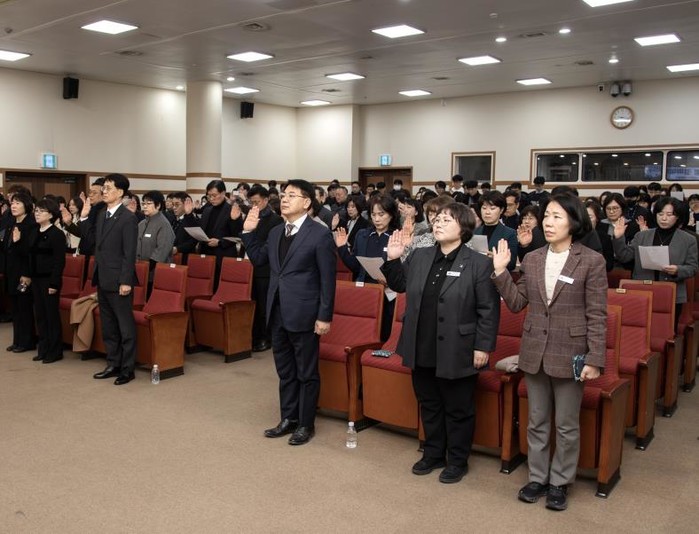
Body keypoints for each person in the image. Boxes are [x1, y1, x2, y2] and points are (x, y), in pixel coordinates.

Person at [491, 192, 607, 512]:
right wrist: (501, 272)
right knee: (537, 420)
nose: (548, 222)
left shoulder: (591, 260)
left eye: (557, 216)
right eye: (546, 216)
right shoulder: (532, 258)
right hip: (534, 351)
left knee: (566, 425)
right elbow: (517, 303)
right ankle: (538, 477)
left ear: (574, 221)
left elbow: (597, 314)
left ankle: (560, 481)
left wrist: (595, 358)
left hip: (570, 351)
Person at [381, 202, 500, 483]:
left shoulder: (479, 263)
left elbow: (488, 310)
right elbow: (400, 285)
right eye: (437, 219)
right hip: (421, 341)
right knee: (429, 402)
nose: (438, 223)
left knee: (458, 408)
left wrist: (483, 347)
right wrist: (393, 259)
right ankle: (433, 453)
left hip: (459, 347)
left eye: (447, 220)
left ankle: (457, 460)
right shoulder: (420, 255)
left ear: (464, 228)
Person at [241, 179, 336, 446]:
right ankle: (288, 418)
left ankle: (305, 424)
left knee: (306, 372)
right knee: (285, 371)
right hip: (277, 311)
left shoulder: (319, 234)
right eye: (284, 195)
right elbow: (259, 259)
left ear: (306, 202)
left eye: (291, 195)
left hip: (305, 313)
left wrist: (324, 316)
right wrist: (248, 232)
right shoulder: (275, 232)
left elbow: (328, 280)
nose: (284, 199)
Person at [612, 196, 698, 328]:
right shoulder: (642, 235)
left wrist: (678, 270)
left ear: (677, 217)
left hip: (671, 292)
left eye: (669, 214)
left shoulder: (688, 240)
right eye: (660, 214)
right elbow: (624, 257)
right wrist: (618, 238)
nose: (664, 218)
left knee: (666, 329)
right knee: (638, 329)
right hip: (642, 290)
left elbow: (693, 268)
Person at [91, 174, 139, 386]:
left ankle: (127, 369)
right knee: (108, 326)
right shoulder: (102, 214)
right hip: (103, 277)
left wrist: (126, 281)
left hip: (120, 280)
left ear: (120, 192)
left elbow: (129, 253)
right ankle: (113, 363)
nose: (104, 191)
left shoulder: (128, 218)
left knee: (125, 327)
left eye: (108, 188)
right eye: (104, 188)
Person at [335, 194, 400, 340]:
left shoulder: (397, 236)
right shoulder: (362, 235)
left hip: (388, 292)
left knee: (385, 333)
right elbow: (355, 266)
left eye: (381, 214)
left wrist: (390, 279)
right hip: (366, 290)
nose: (377, 219)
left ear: (391, 215)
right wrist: (342, 248)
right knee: (363, 333)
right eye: (373, 214)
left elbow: (402, 268)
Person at [231, 184, 283, 353]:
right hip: (248, 265)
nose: (254, 206)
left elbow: (268, 247)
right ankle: (252, 335)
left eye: (257, 202)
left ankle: (265, 338)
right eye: (251, 202)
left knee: (263, 306)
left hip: (264, 269)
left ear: (266, 200)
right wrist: (236, 221)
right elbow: (242, 235)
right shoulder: (250, 215)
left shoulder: (275, 220)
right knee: (250, 303)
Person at [31, 198, 66, 363]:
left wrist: (54, 283)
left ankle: (55, 351)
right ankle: (43, 349)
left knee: (51, 316)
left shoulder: (57, 234)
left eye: (41, 211)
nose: (37, 214)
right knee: (40, 315)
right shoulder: (35, 231)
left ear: (51, 214)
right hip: (36, 279)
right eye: (36, 211)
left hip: (49, 280)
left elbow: (59, 262)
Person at [3, 192, 38, 353]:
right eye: (12, 203)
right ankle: (17, 340)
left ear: (26, 205)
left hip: (24, 273)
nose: (14, 206)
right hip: (11, 272)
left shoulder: (31, 225)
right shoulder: (11, 223)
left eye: (17, 203)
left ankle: (27, 341)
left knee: (24, 308)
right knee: (15, 308)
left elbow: (31, 252)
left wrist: (27, 274)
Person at [198, 180, 238, 287]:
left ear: (223, 193)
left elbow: (237, 236)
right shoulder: (207, 210)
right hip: (206, 256)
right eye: (209, 196)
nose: (211, 198)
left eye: (214, 195)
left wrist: (220, 242)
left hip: (222, 257)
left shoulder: (231, 210)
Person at [137, 190, 176, 293]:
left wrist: (146, 268)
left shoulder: (164, 224)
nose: (145, 206)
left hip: (155, 274)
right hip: (140, 271)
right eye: (143, 203)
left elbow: (161, 251)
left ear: (158, 206)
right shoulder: (141, 224)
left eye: (149, 203)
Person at [474, 190, 518, 271]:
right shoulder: (475, 232)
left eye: (492, 208)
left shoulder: (510, 233)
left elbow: (512, 264)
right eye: (484, 208)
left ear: (501, 210)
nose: (487, 212)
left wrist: (496, 258)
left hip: (496, 276)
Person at [170, 192, 199, 263]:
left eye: (177, 204)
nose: (174, 207)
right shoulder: (172, 219)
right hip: (172, 258)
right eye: (173, 204)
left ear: (185, 204)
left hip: (186, 258)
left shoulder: (192, 220)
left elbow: (193, 241)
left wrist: (177, 248)